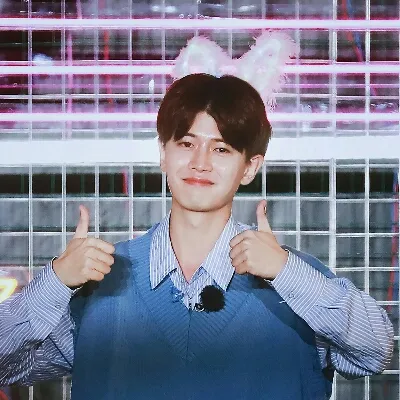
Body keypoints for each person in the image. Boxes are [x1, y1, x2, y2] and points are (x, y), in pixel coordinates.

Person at [0, 73, 394, 400]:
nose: (200, 163)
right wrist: (55, 282)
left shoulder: (294, 280)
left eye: (221, 149)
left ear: (250, 167)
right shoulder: (100, 280)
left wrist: (286, 272)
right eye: (187, 143)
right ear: (163, 153)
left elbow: (375, 351)